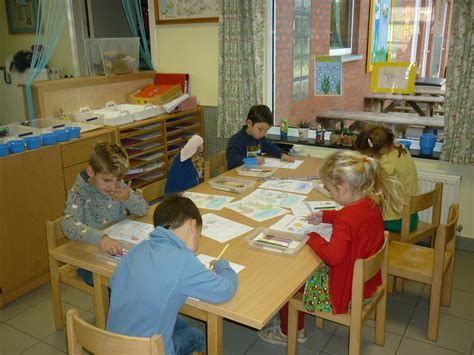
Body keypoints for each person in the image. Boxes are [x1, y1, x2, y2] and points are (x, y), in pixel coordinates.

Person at [258, 150, 402, 346]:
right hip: (366, 284)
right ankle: (290, 324)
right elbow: (352, 219)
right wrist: (325, 216)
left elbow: (333, 257)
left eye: (330, 190)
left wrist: (313, 237)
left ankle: (289, 332)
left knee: (291, 281)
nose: (331, 195)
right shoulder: (370, 204)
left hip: (344, 290)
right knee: (304, 269)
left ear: (343, 189)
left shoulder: (346, 218)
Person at [107, 195, 238, 355]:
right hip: (148, 351)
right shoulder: (184, 261)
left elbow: (114, 283)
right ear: (192, 226)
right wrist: (224, 267)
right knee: (196, 336)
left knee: (179, 323)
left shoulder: (139, 248)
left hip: (110, 345)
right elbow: (224, 291)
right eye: (200, 235)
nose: (199, 239)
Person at [61, 142, 149, 286]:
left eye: (118, 180)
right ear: (91, 171)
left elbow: (143, 209)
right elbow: (68, 224)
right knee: (124, 282)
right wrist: (101, 238)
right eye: (107, 180)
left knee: (142, 273)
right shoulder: (78, 193)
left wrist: (128, 198)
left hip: (118, 252)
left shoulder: (118, 187)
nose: (113, 187)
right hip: (89, 260)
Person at [354, 125, 419, 232]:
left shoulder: (386, 163)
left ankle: (374, 247)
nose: (369, 157)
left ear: (380, 149)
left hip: (397, 220)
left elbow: (376, 197)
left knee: (358, 221)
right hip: (411, 216)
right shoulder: (401, 149)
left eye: (370, 154)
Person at [226, 104, 294, 170]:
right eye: (260, 129)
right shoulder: (237, 139)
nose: (263, 134)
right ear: (249, 123)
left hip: (253, 173)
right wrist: (252, 160)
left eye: (266, 130)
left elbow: (271, 147)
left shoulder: (260, 138)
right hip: (237, 176)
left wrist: (282, 154)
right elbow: (232, 159)